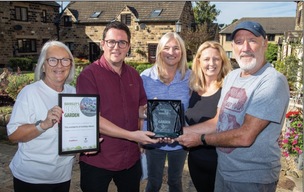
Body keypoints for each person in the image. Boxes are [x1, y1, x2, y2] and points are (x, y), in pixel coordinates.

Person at [176, 21, 290, 192]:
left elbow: (245, 136)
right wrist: (179, 132)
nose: (245, 47)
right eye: (238, 42)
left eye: (252, 40)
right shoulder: (233, 77)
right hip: (224, 170)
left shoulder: (272, 81)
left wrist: (200, 139)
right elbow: (217, 121)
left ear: (265, 43)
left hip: (252, 178)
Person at [76, 21, 159, 192]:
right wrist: (132, 135)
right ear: (102, 44)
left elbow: (138, 110)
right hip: (98, 159)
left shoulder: (134, 75)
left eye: (122, 42)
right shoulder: (88, 76)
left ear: (128, 46)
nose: (116, 47)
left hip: (129, 158)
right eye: (111, 42)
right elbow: (92, 119)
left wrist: (158, 112)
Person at [6, 40, 76, 192]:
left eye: (65, 60)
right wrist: (42, 125)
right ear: (43, 65)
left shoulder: (73, 93)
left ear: (70, 65)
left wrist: (87, 141)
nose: (59, 65)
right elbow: (13, 135)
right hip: (32, 178)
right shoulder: (30, 93)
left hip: (62, 175)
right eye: (52, 60)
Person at [140, 32, 191, 192]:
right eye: (167, 48)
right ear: (160, 51)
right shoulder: (145, 77)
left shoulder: (190, 77)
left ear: (182, 52)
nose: (171, 52)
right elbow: (138, 110)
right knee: (154, 182)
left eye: (176, 48)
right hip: (154, 141)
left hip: (179, 142)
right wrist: (146, 112)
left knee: (175, 182)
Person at [185, 41, 231, 192]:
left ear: (222, 61)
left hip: (220, 163)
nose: (211, 63)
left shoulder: (228, 88)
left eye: (216, 59)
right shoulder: (192, 88)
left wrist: (180, 132)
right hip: (196, 160)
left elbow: (217, 122)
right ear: (198, 61)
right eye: (206, 59)